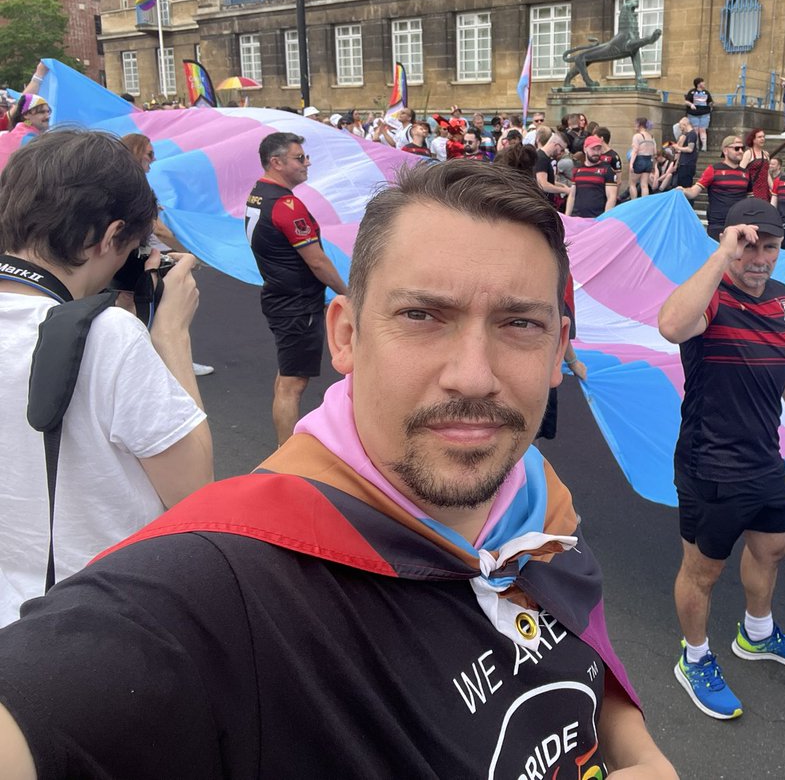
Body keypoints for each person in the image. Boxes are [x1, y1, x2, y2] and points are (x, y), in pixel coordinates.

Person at [0, 161, 677, 778]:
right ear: (347, 336)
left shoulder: (532, 491)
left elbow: (576, 650)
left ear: (559, 348)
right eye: (421, 315)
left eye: (519, 325)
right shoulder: (233, 580)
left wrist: (640, 754)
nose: (474, 375)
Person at [0, 129, 212, 626]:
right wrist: (171, 335)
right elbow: (194, 495)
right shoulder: (106, 336)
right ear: (112, 235)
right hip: (92, 624)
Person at [658, 196, 785, 721]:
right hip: (711, 464)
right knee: (703, 570)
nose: (760, 258)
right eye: (747, 247)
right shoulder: (710, 297)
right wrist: (719, 256)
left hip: (765, 458)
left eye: (770, 248)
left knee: (773, 547)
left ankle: (756, 634)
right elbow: (671, 325)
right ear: (728, 245)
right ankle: (695, 658)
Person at [245, 132, 350, 446]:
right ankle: (285, 453)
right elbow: (317, 262)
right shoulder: (286, 205)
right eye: (299, 158)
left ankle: (284, 449)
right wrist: (348, 293)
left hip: (280, 297)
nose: (307, 163)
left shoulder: (258, 193)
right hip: (296, 303)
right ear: (276, 163)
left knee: (286, 379)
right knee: (293, 385)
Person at [119, 133, 215, 377]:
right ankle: (172, 359)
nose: (154, 159)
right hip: (141, 256)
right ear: (137, 153)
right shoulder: (137, 186)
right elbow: (157, 228)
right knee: (168, 304)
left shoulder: (121, 183)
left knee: (135, 307)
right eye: (149, 154)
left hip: (128, 256)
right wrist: (187, 248)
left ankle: (147, 361)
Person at [682, 135, 751, 240]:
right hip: (718, 226)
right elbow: (693, 192)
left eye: (743, 148)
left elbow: (750, 199)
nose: (741, 151)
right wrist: (681, 191)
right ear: (725, 150)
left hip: (740, 224)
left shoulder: (746, 173)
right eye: (736, 148)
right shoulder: (713, 170)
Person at [566, 135, 617, 218]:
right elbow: (572, 195)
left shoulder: (607, 170)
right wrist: (567, 217)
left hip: (597, 218)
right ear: (585, 149)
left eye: (599, 149)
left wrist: (604, 220)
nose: (596, 153)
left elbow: (611, 197)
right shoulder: (577, 170)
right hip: (577, 218)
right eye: (593, 149)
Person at [534, 131, 573, 204]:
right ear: (556, 145)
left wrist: (562, 186)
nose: (561, 153)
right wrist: (565, 190)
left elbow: (548, 180)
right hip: (541, 203)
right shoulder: (542, 158)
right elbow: (543, 185)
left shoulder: (545, 157)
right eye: (562, 149)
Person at [740, 128, 771, 201]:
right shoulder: (748, 154)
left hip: (764, 191)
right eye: (759, 137)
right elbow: (741, 172)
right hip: (752, 192)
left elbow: (767, 174)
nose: (762, 139)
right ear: (753, 139)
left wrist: (773, 189)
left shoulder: (766, 154)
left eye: (763, 137)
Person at [630, 117, 656, 199]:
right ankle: (644, 203)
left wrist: (631, 164)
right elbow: (655, 152)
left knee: (632, 184)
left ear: (640, 125)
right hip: (648, 161)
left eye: (636, 124)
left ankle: (633, 203)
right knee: (644, 185)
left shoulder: (637, 136)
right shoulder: (651, 137)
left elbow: (635, 151)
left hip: (639, 160)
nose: (635, 125)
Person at [684, 78, 713, 151]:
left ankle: (704, 146)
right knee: (695, 130)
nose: (704, 84)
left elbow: (710, 101)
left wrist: (711, 105)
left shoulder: (706, 92)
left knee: (703, 130)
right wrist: (691, 105)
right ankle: (695, 146)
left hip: (704, 113)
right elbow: (686, 101)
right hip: (693, 113)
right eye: (703, 83)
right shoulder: (692, 92)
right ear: (699, 84)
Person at [674, 116, 699, 188]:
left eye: (680, 126)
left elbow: (690, 149)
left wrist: (678, 147)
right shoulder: (686, 134)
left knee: (685, 186)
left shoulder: (692, 134)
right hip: (683, 164)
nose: (680, 128)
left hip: (688, 164)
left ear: (685, 124)